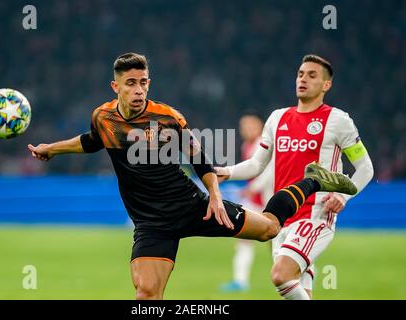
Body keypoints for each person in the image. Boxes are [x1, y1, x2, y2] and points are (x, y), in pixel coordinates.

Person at [28, 52, 357, 300]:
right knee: (146, 295)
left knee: (270, 229)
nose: (139, 90)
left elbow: (200, 159)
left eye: (144, 82)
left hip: (193, 205)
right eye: (131, 84)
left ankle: (312, 179)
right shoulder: (103, 118)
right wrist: (52, 149)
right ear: (116, 87)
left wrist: (214, 194)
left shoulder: (167, 117)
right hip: (151, 223)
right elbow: (90, 141)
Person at [215, 54, 374, 300]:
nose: (303, 79)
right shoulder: (277, 118)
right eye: (300, 74)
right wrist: (227, 171)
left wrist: (343, 197)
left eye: (312, 75)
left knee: (280, 275)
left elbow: (365, 167)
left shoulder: (338, 121)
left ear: (326, 85)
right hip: (281, 219)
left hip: (315, 215)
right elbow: (258, 163)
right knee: (298, 289)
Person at [220, 112, 273, 292]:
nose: (246, 129)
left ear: (260, 127)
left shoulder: (261, 143)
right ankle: (240, 281)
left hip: (268, 200)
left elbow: (269, 170)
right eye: (243, 126)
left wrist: (254, 187)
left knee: (278, 241)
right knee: (243, 238)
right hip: (255, 202)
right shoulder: (247, 145)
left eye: (250, 125)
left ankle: (300, 273)